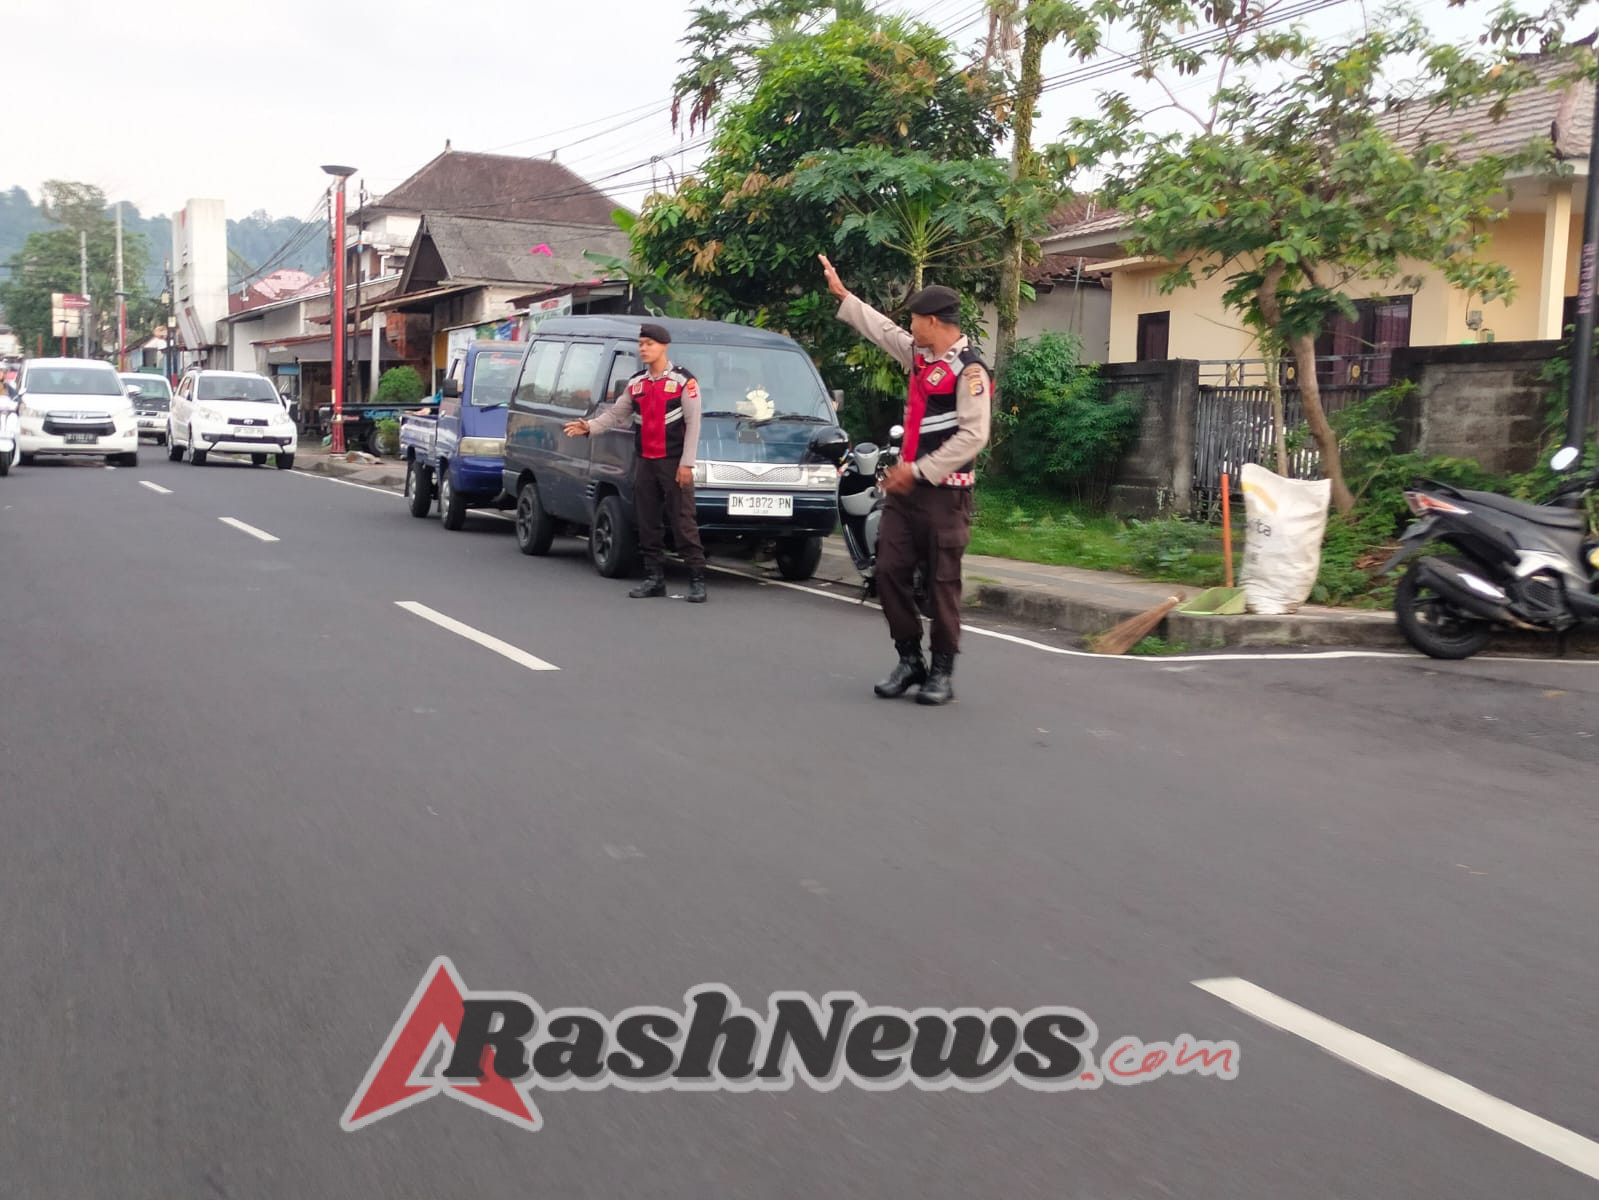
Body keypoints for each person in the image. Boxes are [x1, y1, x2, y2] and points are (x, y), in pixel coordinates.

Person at [820, 256, 992, 706]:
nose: (910, 327)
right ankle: (908, 657)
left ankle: (942, 672)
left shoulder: (969, 371)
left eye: (915, 319)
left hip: (945, 495)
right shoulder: (919, 355)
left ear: (933, 322)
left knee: (941, 584)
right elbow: (883, 332)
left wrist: (917, 470)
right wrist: (844, 296)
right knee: (890, 571)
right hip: (905, 493)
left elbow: (975, 435)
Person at [564, 323, 708, 603]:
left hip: (674, 462)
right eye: (641, 343)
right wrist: (590, 427)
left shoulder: (684, 382)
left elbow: (694, 424)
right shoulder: (637, 383)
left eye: (649, 344)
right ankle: (654, 579)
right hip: (645, 462)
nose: (643, 348)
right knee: (647, 522)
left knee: (683, 522)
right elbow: (617, 413)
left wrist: (686, 464)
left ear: (664, 347)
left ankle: (696, 579)